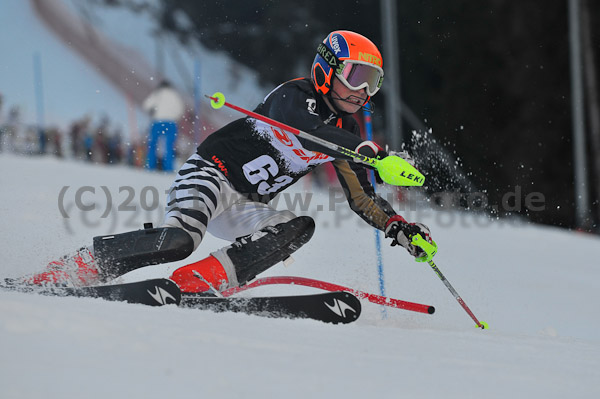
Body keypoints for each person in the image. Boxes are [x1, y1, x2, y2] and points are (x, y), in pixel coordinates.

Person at [15, 31, 434, 292]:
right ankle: (77, 267)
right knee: (181, 241)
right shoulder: (295, 96)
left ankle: (203, 282)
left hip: (244, 203)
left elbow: (361, 198)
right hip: (211, 174)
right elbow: (306, 127)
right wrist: (366, 151)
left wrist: (399, 227)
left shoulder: (348, 138)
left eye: (373, 82)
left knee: (298, 226)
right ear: (327, 71)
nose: (364, 91)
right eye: (357, 77)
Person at [142, 80, 185, 171]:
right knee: (169, 146)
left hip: (157, 121)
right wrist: (174, 116)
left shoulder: (158, 93)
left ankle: (150, 166)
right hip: (171, 123)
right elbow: (180, 110)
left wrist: (152, 111)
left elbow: (146, 105)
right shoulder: (175, 95)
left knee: (152, 144)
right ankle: (168, 168)